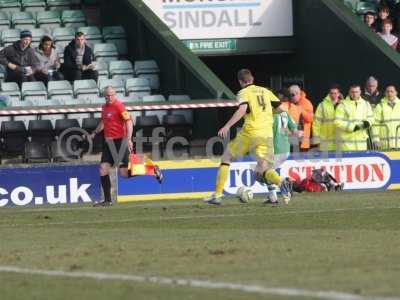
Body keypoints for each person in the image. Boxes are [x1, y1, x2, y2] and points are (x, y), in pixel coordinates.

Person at [203, 69, 292, 205]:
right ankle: (281, 182)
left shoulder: (243, 93)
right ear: (252, 79)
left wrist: (227, 126)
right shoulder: (265, 91)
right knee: (264, 169)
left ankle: (218, 195)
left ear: (240, 82)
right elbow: (282, 109)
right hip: (267, 134)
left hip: (250, 132)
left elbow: (242, 109)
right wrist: (267, 114)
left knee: (226, 157)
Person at [90, 86, 162, 207]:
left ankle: (152, 168)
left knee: (123, 173)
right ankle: (108, 200)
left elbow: (129, 121)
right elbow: (103, 122)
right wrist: (95, 132)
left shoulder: (119, 106)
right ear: (104, 96)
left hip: (120, 141)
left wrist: (128, 139)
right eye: (107, 95)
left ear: (115, 95)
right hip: (108, 143)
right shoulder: (104, 107)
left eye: (112, 95)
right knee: (103, 170)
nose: (109, 97)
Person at [265, 89, 302, 205]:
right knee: (267, 172)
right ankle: (273, 198)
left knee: (265, 173)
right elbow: (295, 131)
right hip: (285, 149)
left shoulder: (269, 113)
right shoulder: (285, 112)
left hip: (275, 148)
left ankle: (286, 185)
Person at [334, 85, 374, 152]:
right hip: (347, 142)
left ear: (360, 92)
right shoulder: (342, 105)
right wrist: (352, 127)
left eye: (356, 92)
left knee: (361, 161)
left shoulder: (366, 104)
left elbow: (371, 118)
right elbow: (337, 121)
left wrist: (367, 123)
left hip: (361, 141)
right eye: (352, 92)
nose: (354, 94)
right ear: (349, 92)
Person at [284, 85, 314, 151]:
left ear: (298, 93)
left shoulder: (306, 103)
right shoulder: (289, 103)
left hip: (303, 142)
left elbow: (310, 119)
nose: (290, 97)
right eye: (289, 95)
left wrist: (300, 109)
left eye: (292, 95)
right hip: (290, 140)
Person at [312, 85, 342, 152]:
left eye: (335, 93)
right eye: (331, 93)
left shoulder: (343, 104)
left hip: (340, 141)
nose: (333, 95)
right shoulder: (322, 105)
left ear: (339, 94)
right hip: (325, 141)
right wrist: (317, 140)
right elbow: (316, 123)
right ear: (329, 94)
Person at [372, 85, 400, 150]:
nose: (389, 93)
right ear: (385, 93)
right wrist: (376, 139)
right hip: (385, 144)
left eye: (392, 91)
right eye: (387, 92)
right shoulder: (380, 106)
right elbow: (375, 124)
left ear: (396, 93)